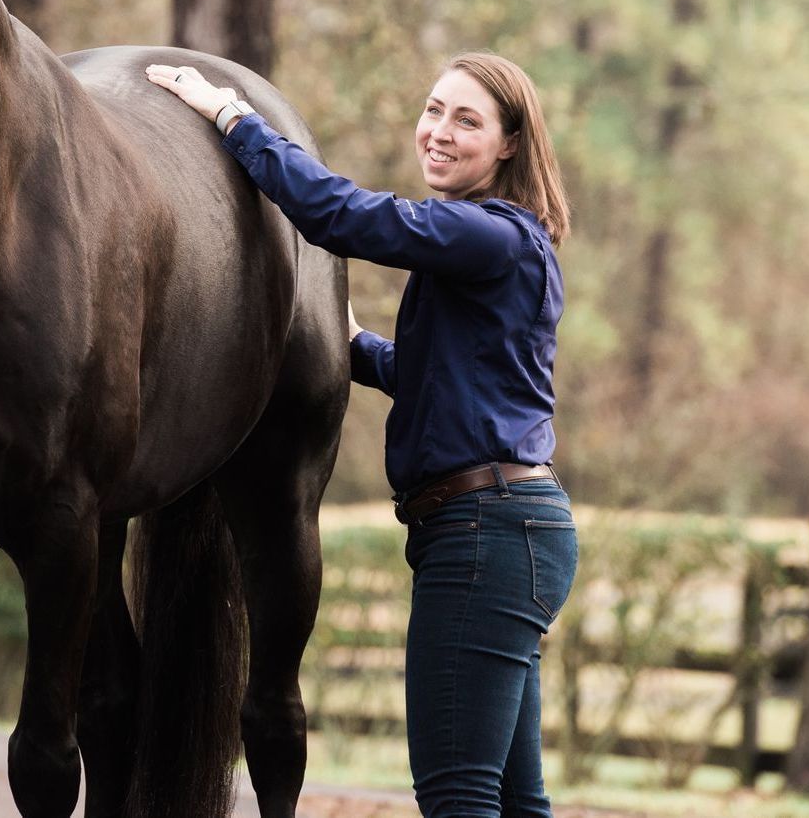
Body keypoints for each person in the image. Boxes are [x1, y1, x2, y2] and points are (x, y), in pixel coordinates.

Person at [147, 52, 577, 818]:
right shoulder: (515, 244)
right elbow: (444, 380)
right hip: (514, 531)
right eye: (434, 109)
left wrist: (232, 119)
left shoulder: (488, 235)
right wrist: (349, 346)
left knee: (458, 795)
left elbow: (341, 214)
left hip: (485, 535)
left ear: (510, 143)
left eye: (467, 120)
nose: (439, 132)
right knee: (514, 799)